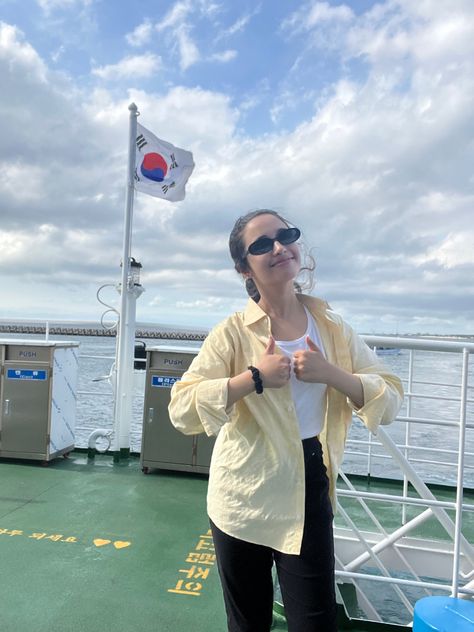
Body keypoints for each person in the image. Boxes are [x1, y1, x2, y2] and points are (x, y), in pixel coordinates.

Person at [168, 209, 404, 632]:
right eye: (261, 244)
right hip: (243, 488)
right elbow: (181, 408)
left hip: (310, 479)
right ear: (244, 267)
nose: (278, 247)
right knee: (248, 623)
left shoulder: (332, 328)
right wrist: (253, 378)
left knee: (315, 621)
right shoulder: (232, 333)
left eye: (285, 236)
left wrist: (330, 372)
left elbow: (390, 395)